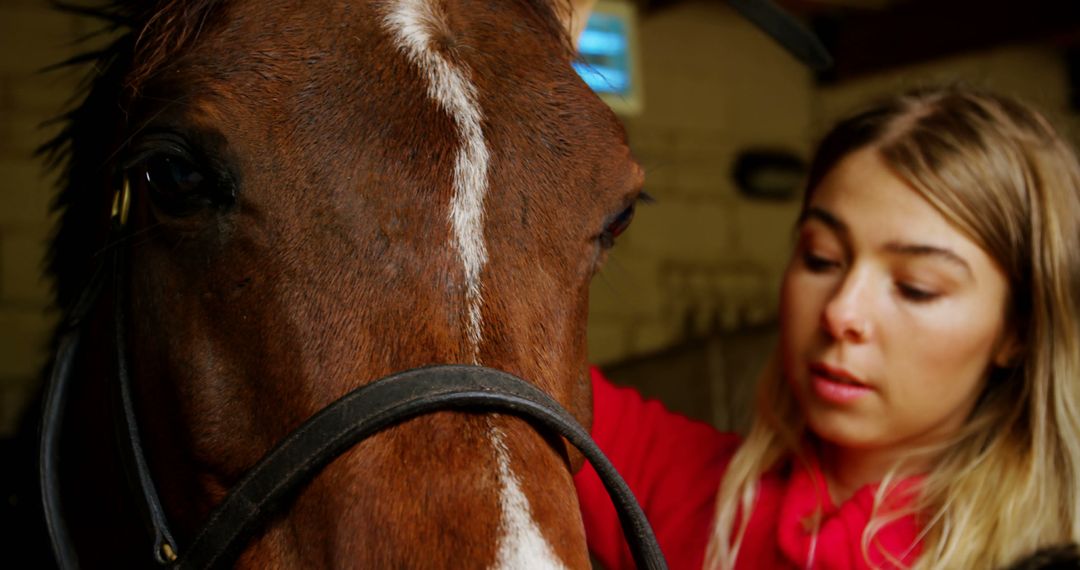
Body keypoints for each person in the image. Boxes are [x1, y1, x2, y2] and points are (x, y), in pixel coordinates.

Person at [575, 85, 1080, 569]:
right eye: (821, 259)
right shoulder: (687, 489)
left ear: (1019, 330)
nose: (841, 313)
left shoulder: (1041, 552)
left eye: (916, 287)